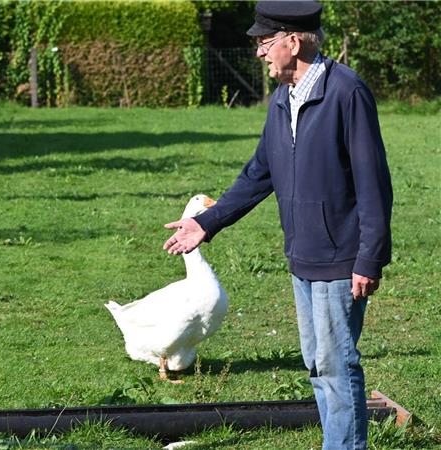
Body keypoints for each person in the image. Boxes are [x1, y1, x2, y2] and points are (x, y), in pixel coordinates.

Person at [163, 2, 392, 449]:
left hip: (340, 258)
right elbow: (259, 173)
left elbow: (374, 182)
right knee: (317, 363)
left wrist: (370, 256)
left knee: (335, 363)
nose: (260, 53)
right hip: (302, 257)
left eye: (265, 43)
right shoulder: (281, 99)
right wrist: (206, 223)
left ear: (294, 40)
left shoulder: (347, 92)